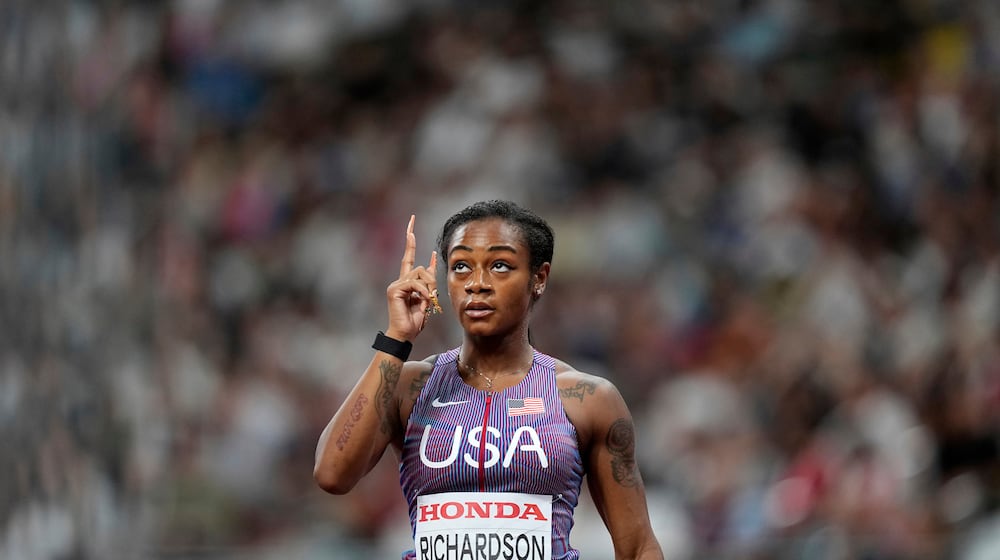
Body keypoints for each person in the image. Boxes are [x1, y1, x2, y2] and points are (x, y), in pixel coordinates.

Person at [314, 200, 663, 559]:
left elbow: (638, 547)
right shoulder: (409, 386)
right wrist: (396, 339)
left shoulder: (587, 399)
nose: (477, 284)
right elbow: (332, 474)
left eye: (500, 266)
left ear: (538, 278)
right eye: (461, 266)